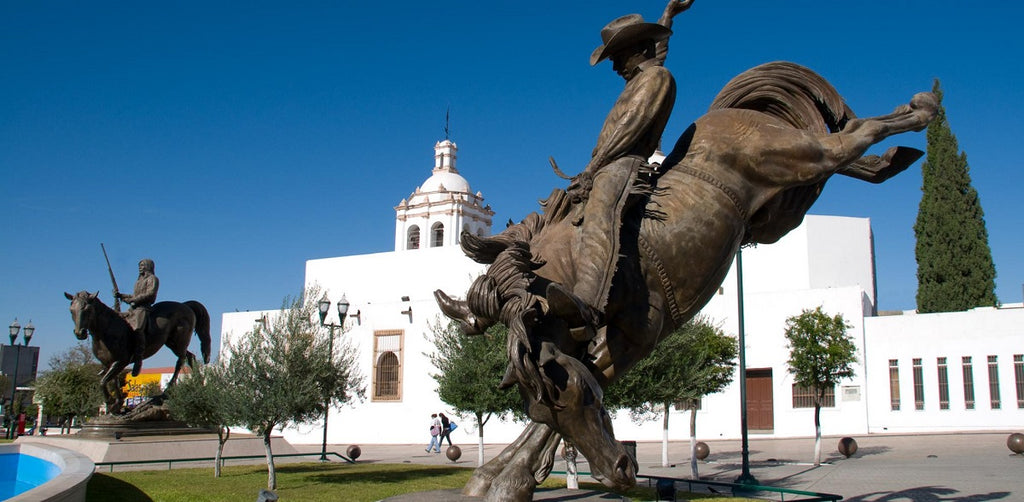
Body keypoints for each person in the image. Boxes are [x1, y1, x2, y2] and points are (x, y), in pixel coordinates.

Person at [548, 0, 693, 335]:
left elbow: (630, 128)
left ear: (636, 50)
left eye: (616, 58)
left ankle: (588, 300)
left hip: (623, 164)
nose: (614, 68)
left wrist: (592, 169)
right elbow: (658, 50)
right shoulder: (645, 75)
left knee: (601, 208)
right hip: (607, 163)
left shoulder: (655, 79)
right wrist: (669, 15)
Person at [117, 258, 159, 377]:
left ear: (148, 266)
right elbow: (134, 295)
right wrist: (122, 296)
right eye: (139, 265)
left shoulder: (153, 279)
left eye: (142, 265)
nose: (140, 267)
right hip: (133, 309)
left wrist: (133, 300)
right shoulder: (138, 281)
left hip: (143, 308)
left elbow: (150, 294)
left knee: (138, 329)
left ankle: (138, 359)